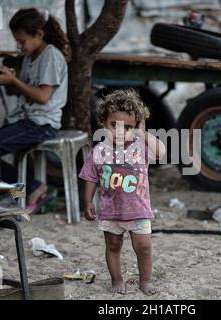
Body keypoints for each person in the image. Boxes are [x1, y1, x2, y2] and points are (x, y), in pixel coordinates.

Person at [0, 8, 70, 212]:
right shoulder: (30, 57)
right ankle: (31, 188)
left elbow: (43, 96)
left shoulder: (50, 55)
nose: (18, 45)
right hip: (28, 119)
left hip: (43, 123)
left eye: (22, 40)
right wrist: (8, 80)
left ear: (39, 35)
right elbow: (25, 92)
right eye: (16, 40)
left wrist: (14, 80)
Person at [79, 89, 166, 295]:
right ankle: (117, 280)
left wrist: (142, 134)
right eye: (114, 125)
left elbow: (162, 153)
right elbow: (90, 177)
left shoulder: (141, 147)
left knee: (144, 247)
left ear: (135, 127)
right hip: (111, 211)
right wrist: (88, 201)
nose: (120, 131)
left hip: (139, 209)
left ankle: (145, 281)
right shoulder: (99, 151)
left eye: (127, 127)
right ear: (103, 123)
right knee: (113, 246)